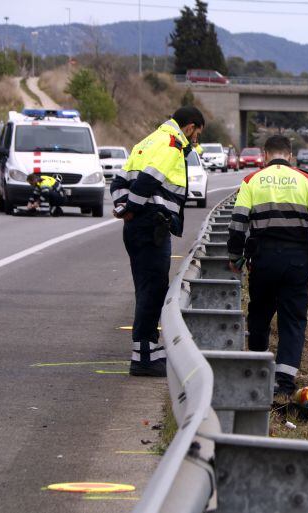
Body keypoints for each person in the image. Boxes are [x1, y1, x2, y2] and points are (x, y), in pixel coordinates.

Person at [227, 135, 308, 396]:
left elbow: (237, 225)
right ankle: (284, 383)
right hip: (296, 262)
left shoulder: (251, 181)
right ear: (289, 156)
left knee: (259, 316)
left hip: (263, 261)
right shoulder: (306, 180)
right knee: (293, 321)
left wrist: (235, 256)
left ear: (265, 155)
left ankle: (257, 375)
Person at [111, 106, 205, 377]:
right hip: (152, 224)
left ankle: (148, 351)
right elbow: (147, 181)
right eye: (196, 134)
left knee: (146, 288)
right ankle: (143, 357)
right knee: (153, 289)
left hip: (137, 226)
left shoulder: (147, 141)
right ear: (189, 127)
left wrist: (123, 207)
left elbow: (118, 181)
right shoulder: (171, 144)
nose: (194, 140)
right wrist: (132, 207)